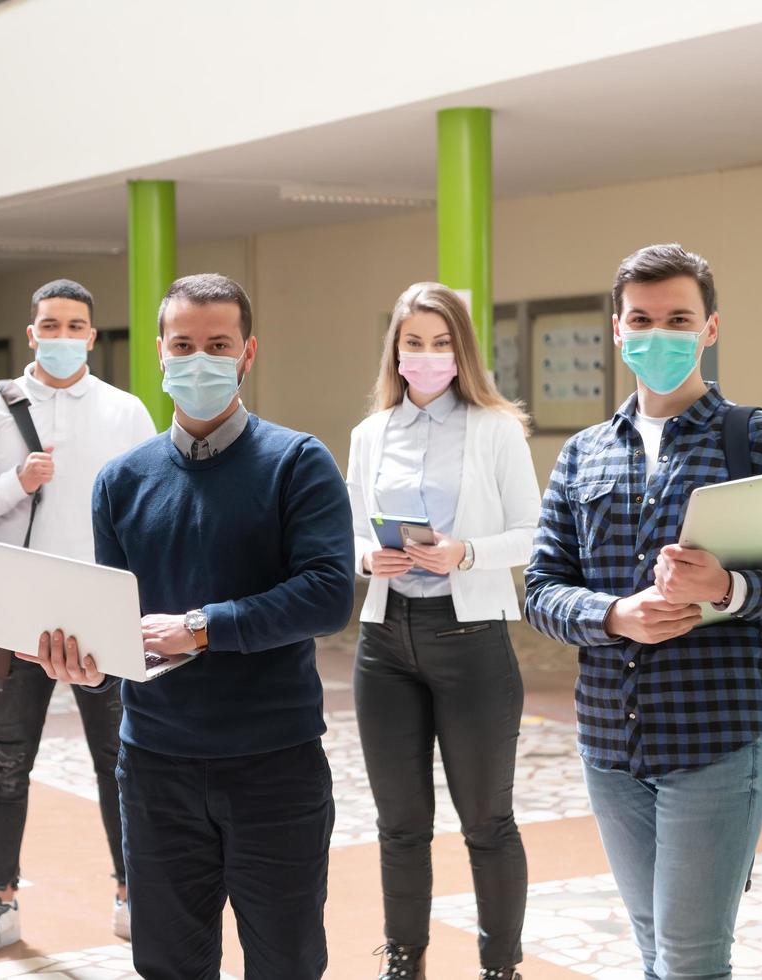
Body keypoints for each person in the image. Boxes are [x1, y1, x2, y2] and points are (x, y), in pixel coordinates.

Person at [524, 244, 762, 980]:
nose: (658, 335)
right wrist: (613, 615)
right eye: (642, 319)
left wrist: (729, 589)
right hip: (610, 744)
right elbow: (541, 589)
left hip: (719, 740)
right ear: (616, 329)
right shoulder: (581, 456)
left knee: (693, 960)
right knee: (654, 951)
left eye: (678, 319)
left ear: (710, 329)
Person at [22, 273, 354, 979]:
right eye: (183, 344)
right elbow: (120, 624)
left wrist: (202, 627)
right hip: (154, 767)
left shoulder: (297, 463)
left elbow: (328, 595)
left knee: (286, 962)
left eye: (217, 344)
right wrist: (83, 659)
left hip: (275, 763)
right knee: (169, 965)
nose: (198, 359)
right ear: (159, 352)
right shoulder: (122, 481)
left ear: (247, 353)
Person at [0, 278, 156, 960]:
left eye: (76, 326)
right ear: (31, 333)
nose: (63, 337)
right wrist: (17, 485)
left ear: (93, 336)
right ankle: (0, 902)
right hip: (16, 617)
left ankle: (131, 896)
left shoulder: (125, 412)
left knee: (119, 762)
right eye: (50, 325)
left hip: (98, 613)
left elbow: (155, 502)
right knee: (7, 763)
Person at [346, 283, 539, 980]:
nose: (425, 356)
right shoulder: (370, 434)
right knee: (400, 825)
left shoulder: (494, 428)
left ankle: (499, 967)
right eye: (412, 342)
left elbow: (533, 531)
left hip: (471, 642)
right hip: (386, 641)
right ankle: (404, 961)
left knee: (487, 822)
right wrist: (369, 556)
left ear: (462, 351)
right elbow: (348, 532)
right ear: (394, 350)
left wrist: (467, 551)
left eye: (439, 342)